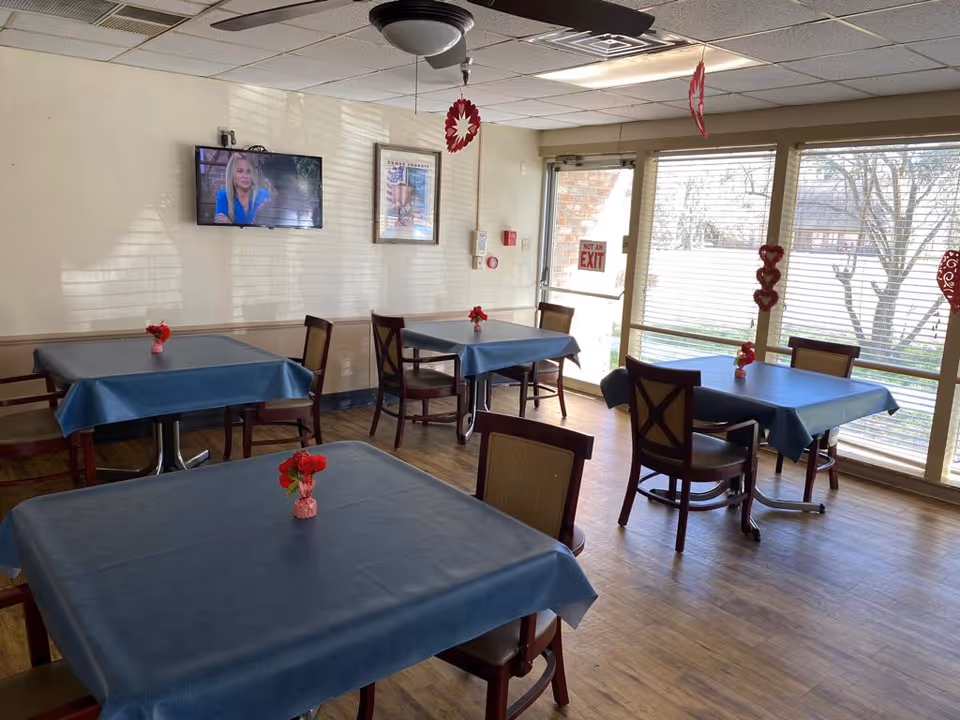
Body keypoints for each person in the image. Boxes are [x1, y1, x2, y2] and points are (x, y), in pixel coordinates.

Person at [214, 153, 272, 225]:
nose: (245, 176)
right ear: (231, 174)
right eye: (240, 171)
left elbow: (267, 226)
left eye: (249, 171)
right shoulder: (223, 196)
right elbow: (220, 229)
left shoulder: (263, 195)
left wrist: (230, 223)